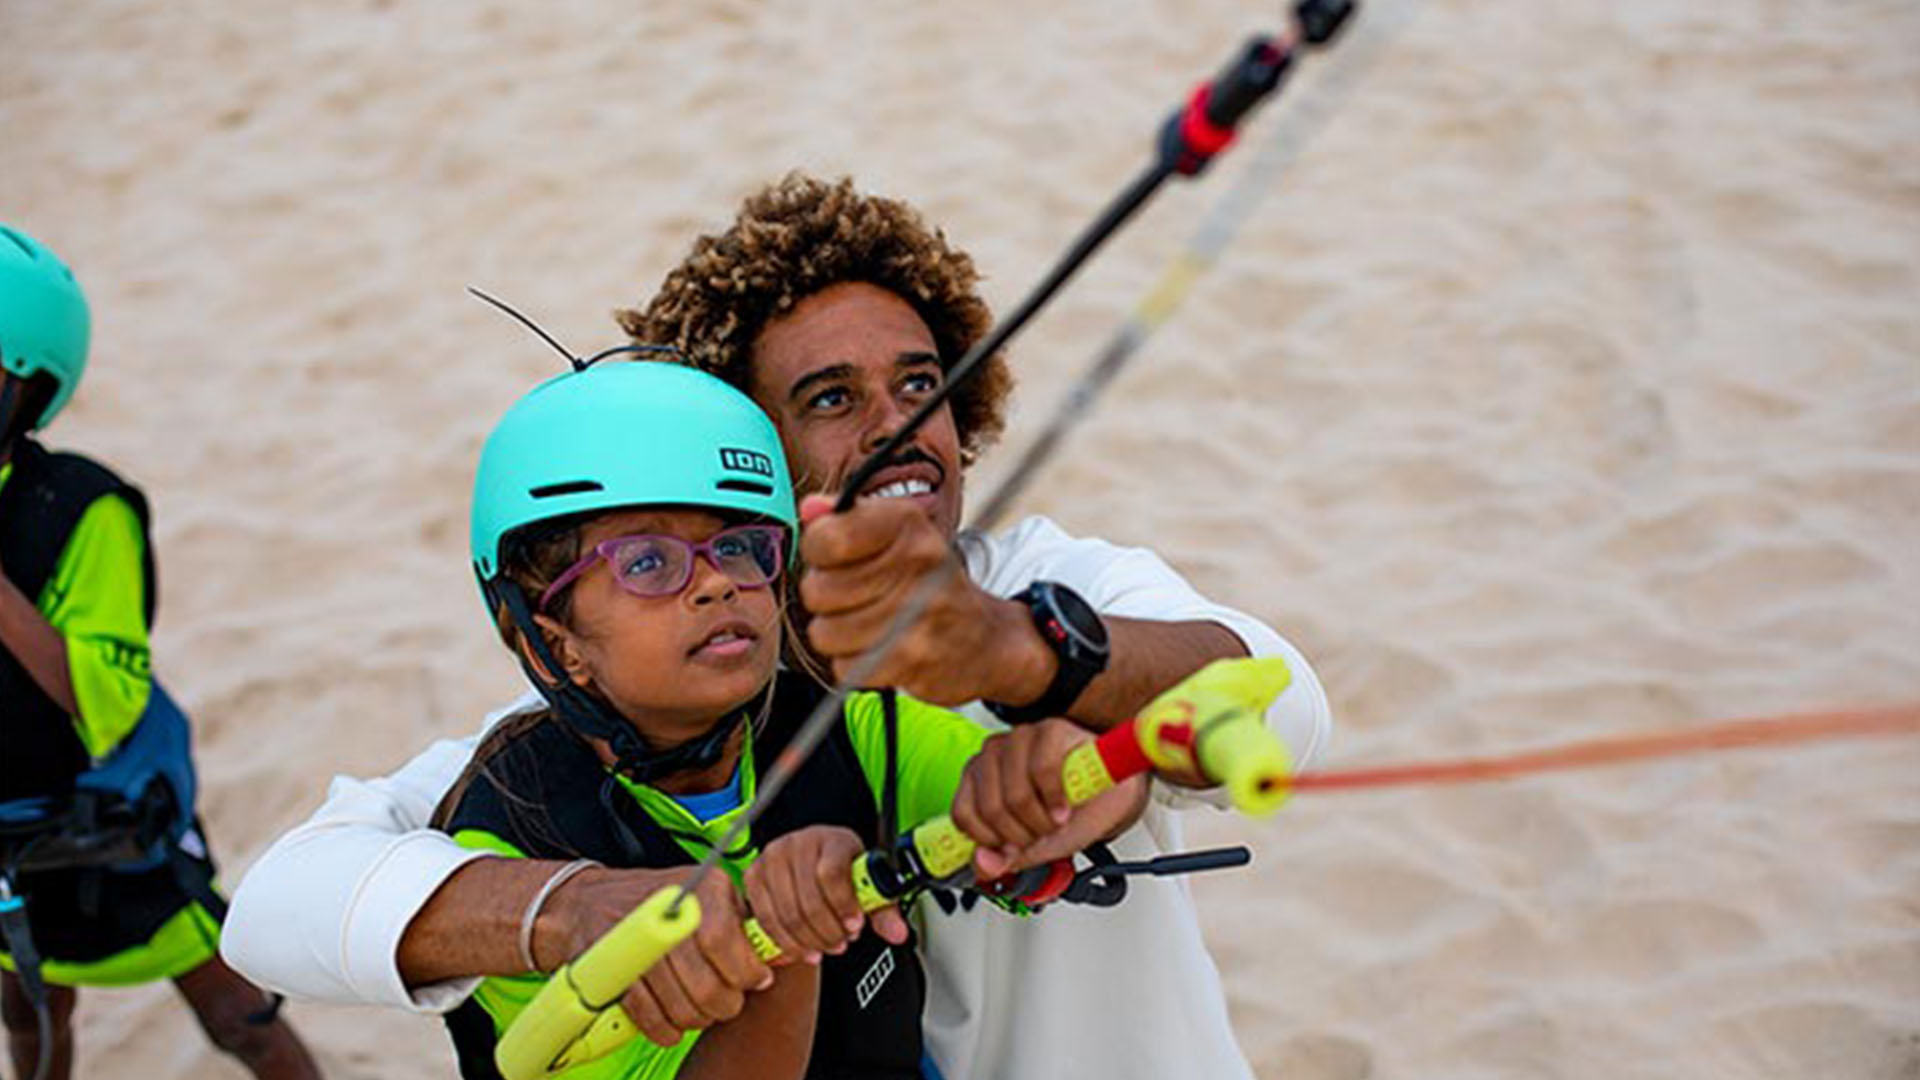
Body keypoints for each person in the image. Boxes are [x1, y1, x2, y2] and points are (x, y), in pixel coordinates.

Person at [223, 174, 1332, 1079]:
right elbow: (278, 903)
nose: (899, 429)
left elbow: (1277, 709)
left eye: (920, 384)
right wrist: (581, 908)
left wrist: (1027, 672)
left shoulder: (1043, 576)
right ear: (752, 459)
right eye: (832, 399)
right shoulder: (660, 681)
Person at [435, 356, 1095, 1077]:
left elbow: (1076, 797)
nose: (718, 582)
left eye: (742, 547)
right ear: (551, 637)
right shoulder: (511, 848)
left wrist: (1051, 768)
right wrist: (779, 942)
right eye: (648, 563)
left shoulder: (850, 725)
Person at [0, 225, 320, 1079]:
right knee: (29, 1016)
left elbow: (107, 696)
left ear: (24, 388)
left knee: (236, 1013)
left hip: (103, 822)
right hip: (6, 838)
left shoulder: (80, 511)